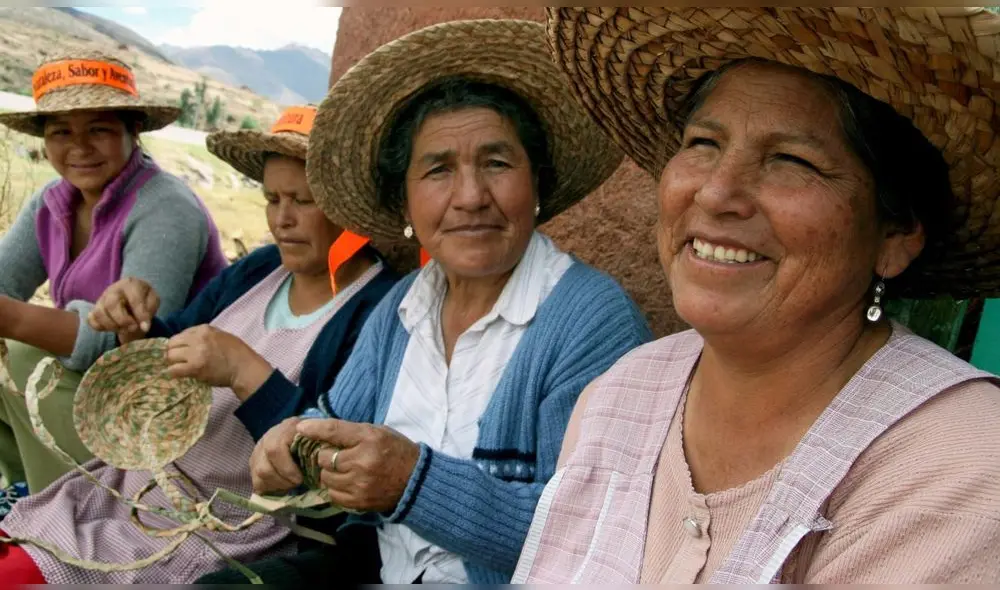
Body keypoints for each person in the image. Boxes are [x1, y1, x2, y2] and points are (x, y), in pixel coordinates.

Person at [513, 7, 1000, 584]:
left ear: (894, 237)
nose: (717, 192)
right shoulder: (618, 396)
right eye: (703, 143)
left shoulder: (962, 466)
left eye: (792, 160)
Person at [197, 19, 653, 585]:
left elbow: (590, 535)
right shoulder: (402, 309)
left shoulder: (590, 321)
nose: (470, 197)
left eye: (497, 163)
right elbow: (335, 419)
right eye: (438, 169)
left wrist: (413, 481)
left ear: (537, 182)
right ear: (406, 203)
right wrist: (293, 440)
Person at [0, 105, 400, 583]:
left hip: (222, 527)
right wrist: (137, 328)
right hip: (139, 492)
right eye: (273, 199)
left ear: (354, 207)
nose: (283, 219)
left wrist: (245, 373)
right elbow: (172, 345)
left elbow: (325, 472)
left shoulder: (376, 308)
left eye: (304, 201)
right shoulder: (261, 269)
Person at [0, 51, 228, 500]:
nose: (79, 148)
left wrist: (12, 321)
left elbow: (127, 345)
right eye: (61, 131)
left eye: (98, 130)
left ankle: (73, 508)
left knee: (27, 358)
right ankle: (28, 491)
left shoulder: (166, 207)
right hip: (97, 390)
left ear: (132, 131)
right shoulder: (53, 201)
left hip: (170, 405)